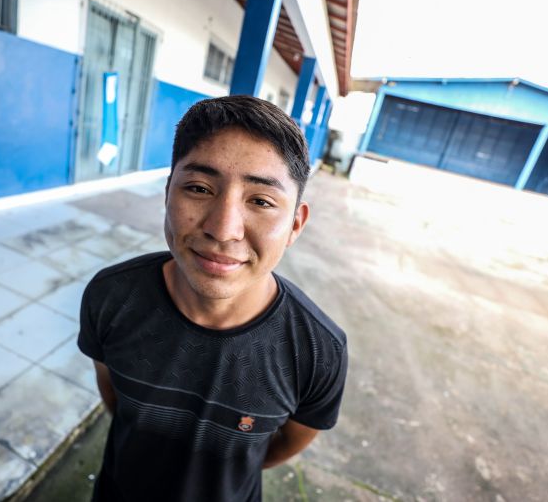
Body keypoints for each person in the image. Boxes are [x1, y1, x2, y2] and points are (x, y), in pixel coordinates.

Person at [78, 95, 348, 502]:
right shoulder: (111, 298)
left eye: (260, 201)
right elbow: (116, 398)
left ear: (295, 224)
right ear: (168, 193)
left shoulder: (317, 351)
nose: (224, 229)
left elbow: (285, 445)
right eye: (200, 188)